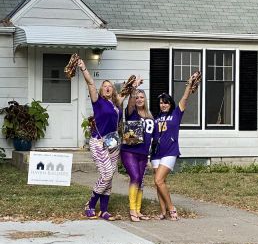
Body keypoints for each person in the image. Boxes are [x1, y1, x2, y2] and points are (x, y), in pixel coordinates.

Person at [77, 58, 130, 221]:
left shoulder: (115, 103)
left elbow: (125, 92)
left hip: (113, 142)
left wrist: (135, 84)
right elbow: (91, 83)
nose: (107, 88)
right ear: (101, 90)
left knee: (110, 175)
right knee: (106, 174)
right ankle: (90, 204)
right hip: (99, 141)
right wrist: (84, 68)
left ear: (113, 90)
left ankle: (104, 210)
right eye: (105, 86)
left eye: (110, 86)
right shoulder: (98, 101)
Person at [151, 72, 200, 221]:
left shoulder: (176, 113)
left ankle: (172, 208)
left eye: (166, 102)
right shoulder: (156, 117)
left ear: (170, 103)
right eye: (161, 102)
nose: (163, 104)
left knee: (158, 180)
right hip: (156, 153)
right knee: (160, 184)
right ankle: (163, 212)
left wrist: (190, 84)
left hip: (170, 152)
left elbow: (185, 98)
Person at [120, 86, 154, 222]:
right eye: (136, 97)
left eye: (141, 97)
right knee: (134, 177)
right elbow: (129, 103)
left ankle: (138, 210)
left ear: (145, 99)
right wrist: (133, 89)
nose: (139, 99)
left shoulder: (150, 117)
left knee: (140, 180)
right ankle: (132, 210)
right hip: (129, 150)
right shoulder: (131, 112)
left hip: (143, 153)